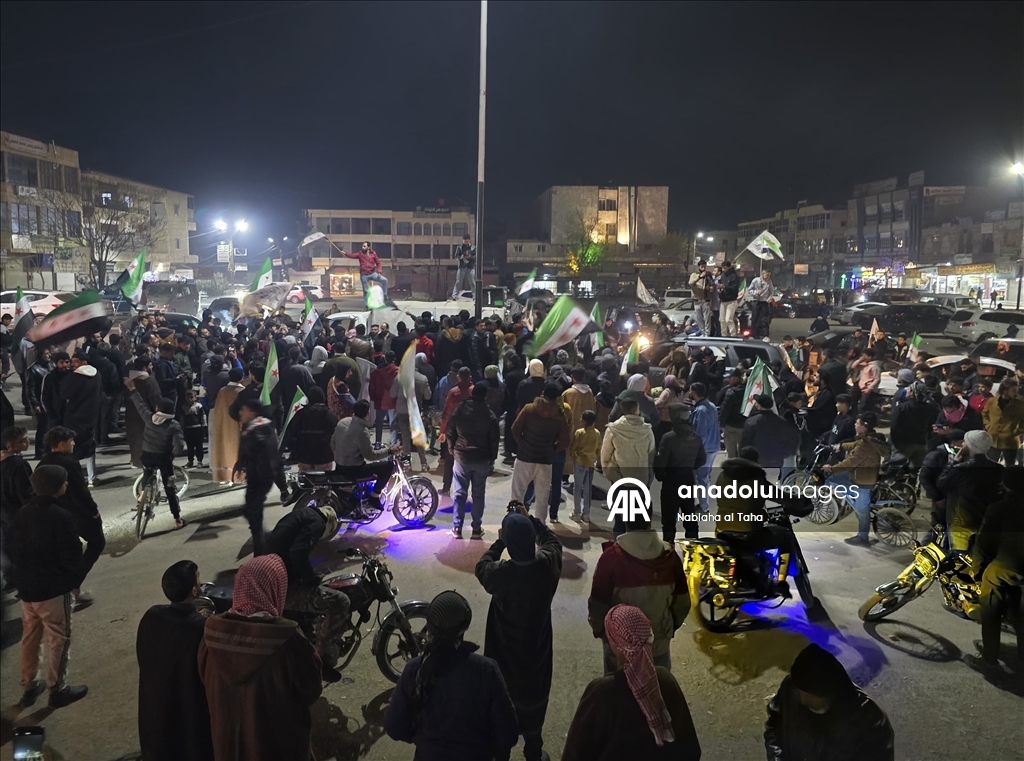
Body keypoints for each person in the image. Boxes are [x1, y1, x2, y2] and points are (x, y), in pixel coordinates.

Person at [198, 554, 322, 761]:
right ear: (275, 589)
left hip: (228, 746)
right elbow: (311, 690)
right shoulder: (289, 643)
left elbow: (204, 681)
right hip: (278, 748)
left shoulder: (211, 637)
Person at [384, 590, 519, 761]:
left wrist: (424, 740)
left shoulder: (415, 669)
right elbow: (508, 734)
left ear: (430, 625)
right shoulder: (486, 671)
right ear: (465, 626)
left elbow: (394, 727)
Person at [475, 507, 563, 761]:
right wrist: (531, 520)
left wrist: (500, 542)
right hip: (536, 654)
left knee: (503, 705)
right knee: (534, 700)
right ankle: (533, 752)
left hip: (504, 656)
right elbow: (553, 542)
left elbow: (482, 565)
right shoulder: (547, 566)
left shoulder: (501, 574)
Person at [563, 605, 702, 761]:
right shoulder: (666, 681)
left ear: (615, 644)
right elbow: (691, 749)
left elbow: (574, 754)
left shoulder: (600, 693)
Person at [7, 464, 89, 709]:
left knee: (30, 637)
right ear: (57, 487)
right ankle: (58, 689)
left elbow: (11, 548)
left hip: (28, 589)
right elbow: (71, 553)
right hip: (53, 589)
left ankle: (29, 684)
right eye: (64, 482)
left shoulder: (24, 512)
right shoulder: (59, 515)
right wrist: (73, 580)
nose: (67, 485)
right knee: (59, 639)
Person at [588, 515, 689, 674]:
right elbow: (683, 603)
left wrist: (607, 638)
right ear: (649, 520)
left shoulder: (611, 559)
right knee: (657, 692)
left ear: (625, 520)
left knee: (617, 693)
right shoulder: (670, 557)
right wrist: (666, 630)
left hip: (619, 653)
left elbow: (597, 608)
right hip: (659, 647)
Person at [136, 560, 214, 761]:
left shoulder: (151, 616)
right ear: (194, 591)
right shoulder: (201, 628)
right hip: (190, 708)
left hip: (155, 704)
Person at [264, 505, 351, 682]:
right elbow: (297, 552)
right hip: (280, 586)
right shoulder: (317, 523)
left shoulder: (301, 515)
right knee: (341, 601)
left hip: (269, 574)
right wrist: (311, 579)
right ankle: (320, 659)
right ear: (330, 523)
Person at [764, 643, 894, 761]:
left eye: (810, 696)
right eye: (800, 692)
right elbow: (775, 727)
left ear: (828, 692)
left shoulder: (872, 724)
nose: (802, 700)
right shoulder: (791, 689)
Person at [965, 466, 1024, 676]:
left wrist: (978, 572)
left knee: (990, 609)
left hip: (1006, 566)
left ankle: (989, 659)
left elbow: (985, 543)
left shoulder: (1000, 508)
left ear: (1006, 484)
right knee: (1020, 614)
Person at [38, 427, 105, 595]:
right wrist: (93, 511)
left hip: (51, 513)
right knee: (97, 542)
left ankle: (67, 585)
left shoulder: (42, 463)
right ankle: (74, 585)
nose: (73, 444)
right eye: (70, 441)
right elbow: (80, 491)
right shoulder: (69, 463)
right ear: (61, 444)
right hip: (76, 514)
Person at [126, 381, 187, 530]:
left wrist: (133, 389)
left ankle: (142, 493)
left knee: (147, 472)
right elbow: (179, 445)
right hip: (164, 458)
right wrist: (173, 455)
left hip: (147, 455)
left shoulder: (149, 418)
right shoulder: (173, 425)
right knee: (169, 488)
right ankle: (177, 519)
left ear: (157, 408)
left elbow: (140, 405)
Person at [822, 412, 889, 546]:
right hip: (860, 475)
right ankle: (852, 501)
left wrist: (832, 468)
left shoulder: (865, 445)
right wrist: (840, 446)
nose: (855, 424)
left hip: (863, 481)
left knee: (862, 512)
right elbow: (854, 444)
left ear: (864, 426)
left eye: (857, 423)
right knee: (834, 480)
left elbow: (849, 463)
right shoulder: (869, 438)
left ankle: (863, 538)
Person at [510, 383, 571, 523]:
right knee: (542, 497)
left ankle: (514, 522)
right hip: (545, 460)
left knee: (517, 494)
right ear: (557, 398)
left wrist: (523, 444)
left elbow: (515, 429)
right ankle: (540, 528)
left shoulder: (529, 408)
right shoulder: (560, 416)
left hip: (524, 458)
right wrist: (552, 449)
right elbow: (565, 441)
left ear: (543, 393)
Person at [234, 400, 287, 555]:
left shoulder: (258, 430)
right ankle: (263, 541)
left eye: (243, 409)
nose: (240, 413)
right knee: (251, 511)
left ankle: (261, 551)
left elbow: (269, 457)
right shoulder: (256, 427)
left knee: (254, 515)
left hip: (260, 477)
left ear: (252, 411)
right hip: (258, 476)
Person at [447, 383, 500, 538]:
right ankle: (476, 528)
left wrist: (452, 449)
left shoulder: (461, 409)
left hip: (462, 457)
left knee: (459, 493)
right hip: (481, 458)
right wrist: (492, 458)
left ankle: (457, 527)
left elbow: (450, 431)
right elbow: (494, 439)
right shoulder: (489, 413)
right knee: (478, 494)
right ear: (485, 396)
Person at [936, 429, 1004, 551]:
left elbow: (941, 483)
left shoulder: (961, 469)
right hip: (985, 521)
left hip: (961, 522)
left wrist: (953, 463)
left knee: (960, 559)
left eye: (965, 442)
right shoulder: (998, 469)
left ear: (972, 446)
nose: (962, 444)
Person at [331, 399, 399, 506]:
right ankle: (374, 496)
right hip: (354, 470)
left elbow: (333, 443)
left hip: (339, 466)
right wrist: (389, 451)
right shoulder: (362, 431)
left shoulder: (342, 422)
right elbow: (371, 456)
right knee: (388, 466)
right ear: (367, 413)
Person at [654, 405, 706, 542]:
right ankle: (694, 548)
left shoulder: (669, 438)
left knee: (669, 519)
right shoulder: (696, 437)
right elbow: (702, 459)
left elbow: (661, 462)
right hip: (688, 478)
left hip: (671, 481)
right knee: (689, 515)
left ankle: (668, 549)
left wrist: (660, 475)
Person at [61, 351, 102, 485]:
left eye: (75, 362)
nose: (72, 365)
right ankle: (92, 477)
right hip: (90, 416)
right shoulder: (97, 375)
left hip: (74, 417)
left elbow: (65, 393)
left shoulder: (75, 377)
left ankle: (76, 477)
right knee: (90, 446)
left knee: (73, 447)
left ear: (84, 362)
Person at [602, 397, 656, 490]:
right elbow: (651, 455)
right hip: (641, 477)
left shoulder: (613, 429)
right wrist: (649, 474)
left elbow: (605, 454)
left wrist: (607, 470)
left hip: (618, 476)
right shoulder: (647, 430)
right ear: (636, 410)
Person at [390, 354, 431, 471]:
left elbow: (392, 393)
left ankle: (407, 464)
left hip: (402, 411)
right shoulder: (423, 378)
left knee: (405, 437)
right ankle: (424, 464)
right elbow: (427, 396)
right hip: (416, 411)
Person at [740, 394, 800, 474]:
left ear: (758, 405)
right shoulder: (782, 421)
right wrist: (784, 454)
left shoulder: (751, 422)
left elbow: (745, 443)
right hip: (775, 461)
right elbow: (791, 440)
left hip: (756, 462)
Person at [284, 386, 339, 474]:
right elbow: (337, 434)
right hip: (324, 456)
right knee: (323, 483)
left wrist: (295, 451)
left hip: (304, 456)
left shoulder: (300, 414)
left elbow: (291, 434)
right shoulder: (329, 415)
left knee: (305, 483)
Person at [889, 380, 940, 468]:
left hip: (903, 443)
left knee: (896, 467)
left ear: (912, 392)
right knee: (916, 468)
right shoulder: (930, 407)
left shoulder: (903, 407)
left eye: (909, 390)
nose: (907, 391)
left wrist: (895, 442)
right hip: (921, 442)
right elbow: (933, 423)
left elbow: (895, 425)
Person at [688, 382, 718, 514]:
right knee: (705, 477)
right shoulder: (711, 406)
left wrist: (696, 452)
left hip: (705, 449)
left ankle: (704, 506)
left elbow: (701, 434)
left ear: (694, 392)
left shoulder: (700, 411)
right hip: (713, 446)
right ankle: (703, 503)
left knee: (702, 479)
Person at [210, 368, 245, 484]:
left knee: (225, 449)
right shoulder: (242, 391)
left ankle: (224, 475)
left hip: (223, 424)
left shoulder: (222, 391)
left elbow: (218, 410)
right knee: (238, 449)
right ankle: (239, 476)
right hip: (237, 424)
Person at [982, 377, 1024, 466]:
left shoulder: (1019, 404)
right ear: (1005, 391)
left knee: (1010, 466)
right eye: (1013, 391)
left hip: (1010, 441)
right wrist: (988, 425)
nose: (1016, 393)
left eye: (1017, 390)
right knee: (990, 464)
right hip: (993, 438)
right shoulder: (992, 401)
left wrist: (1016, 432)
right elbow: (985, 413)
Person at [570, 409, 601, 523]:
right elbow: (598, 448)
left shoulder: (580, 432)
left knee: (577, 488)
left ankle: (576, 513)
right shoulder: (597, 433)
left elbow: (573, 447)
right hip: (590, 462)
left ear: (584, 420)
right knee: (587, 489)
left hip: (580, 461)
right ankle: (586, 514)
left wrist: (573, 457)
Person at [26, 348, 53, 458]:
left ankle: (49, 449)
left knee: (51, 426)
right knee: (43, 428)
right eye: (46, 354)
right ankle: (40, 451)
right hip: (41, 402)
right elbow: (30, 389)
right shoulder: (33, 370)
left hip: (52, 401)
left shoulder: (51, 365)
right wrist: (35, 404)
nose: (49, 355)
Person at [368, 351, 400, 447]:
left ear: (385, 358)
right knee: (393, 423)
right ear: (394, 359)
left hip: (380, 399)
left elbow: (371, 387)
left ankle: (378, 442)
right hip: (393, 400)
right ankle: (393, 444)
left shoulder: (376, 372)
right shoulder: (398, 371)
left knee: (379, 422)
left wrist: (373, 398)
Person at [345, 241, 388, 306]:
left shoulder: (373, 254)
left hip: (372, 273)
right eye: (362, 246)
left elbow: (378, 263)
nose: (363, 247)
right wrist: (345, 253)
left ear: (368, 247)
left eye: (364, 246)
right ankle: (367, 305)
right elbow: (352, 255)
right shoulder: (360, 254)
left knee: (384, 280)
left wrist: (379, 272)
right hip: (364, 275)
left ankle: (385, 295)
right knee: (366, 291)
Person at [716, 369, 747, 458]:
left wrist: (721, 424)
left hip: (731, 426)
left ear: (735, 378)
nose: (728, 380)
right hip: (745, 426)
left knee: (731, 453)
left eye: (730, 378)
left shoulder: (731, 392)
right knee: (743, 453)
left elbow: (725, 409)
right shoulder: (749, 391)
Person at [181, 390, 206, 469]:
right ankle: (190, 461)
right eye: (188, 398)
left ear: (195, 397)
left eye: (191, 397)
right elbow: (182, 418)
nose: (189, 399)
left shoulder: (199, 406)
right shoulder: (184, 407)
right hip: (188, 429)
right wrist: (182, 428)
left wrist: (204, 426)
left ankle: (199, 461)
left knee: (199, 446)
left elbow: (203, 416)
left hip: (197, 428)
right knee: (190, 447)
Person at [688, 259, 714, 335]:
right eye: (702, 266)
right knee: (699, 319)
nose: (703, 268)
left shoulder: (708, 275)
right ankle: (702, 333)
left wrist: (710, 288)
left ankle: (707, 334)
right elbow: (691, 283)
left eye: (705, 267)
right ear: (698, 266)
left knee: (707, 319)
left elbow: (712, 285)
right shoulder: (694, 275)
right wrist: (699, 277)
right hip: (697, 299)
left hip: (706, 300)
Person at [746, 269, 773, 339]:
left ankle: (765, 334)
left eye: (769, 275)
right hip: (756, 301)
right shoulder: (756, 280)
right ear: (762, 274)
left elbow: (771, 291)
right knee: (755, 318)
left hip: (764, 302)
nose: (768, 277)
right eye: (767, 275)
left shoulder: (769, 282)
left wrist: (768, 299)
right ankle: (753, 334)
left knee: (765, 319)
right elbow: (749, 290)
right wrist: (756, 292)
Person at [718, 259, 741, 337]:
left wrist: (725, 286)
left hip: (731, 300)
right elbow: (720, 283)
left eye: (725, 268)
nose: (723, 270)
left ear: (729, 267)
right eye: (722, 268)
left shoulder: (734, 276)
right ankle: (723, 335)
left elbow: (734, 288)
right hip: (723, 299)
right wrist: (719, 289)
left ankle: (733, 335)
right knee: (722, 319)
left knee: (728, 319)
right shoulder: (722, 275)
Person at [452, 234, 476, 299]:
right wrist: (461, 257)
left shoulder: (474, 248)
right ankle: (454, 295)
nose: (465, 242)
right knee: (458, 282)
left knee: (472, 282)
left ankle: (475, 296)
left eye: (467, 241)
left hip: (470, 267)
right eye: (464, 241)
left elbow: (476, 257)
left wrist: (470, 257)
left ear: (469, 240)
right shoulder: (459, 247)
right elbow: (456, 256)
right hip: (462, 267)